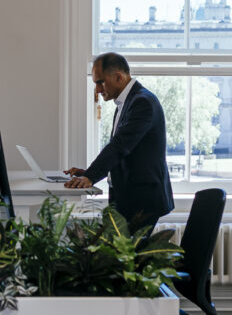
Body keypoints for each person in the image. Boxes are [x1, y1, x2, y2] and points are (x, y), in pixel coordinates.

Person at [65, 52, 174, 229]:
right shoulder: (127, 102)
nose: (98, 90)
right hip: (129, 197)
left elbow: (120, 146)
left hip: (142, 201)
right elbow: (127, 154)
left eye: (100, 82)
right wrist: (87, 173)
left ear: (118, 77)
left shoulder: (142, 102)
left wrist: (90, 176)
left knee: (128, 255)